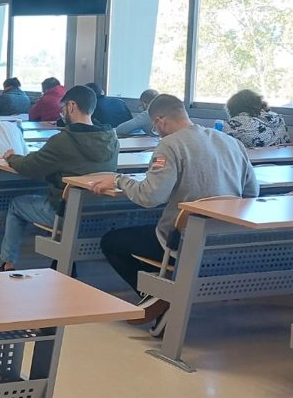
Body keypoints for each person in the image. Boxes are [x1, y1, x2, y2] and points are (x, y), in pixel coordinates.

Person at [93, 94, 258, 335]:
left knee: (111, 241)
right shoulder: (230, 142)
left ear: (160, 120)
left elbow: (150, 197)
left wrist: (119, 180)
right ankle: (162, 292)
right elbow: (252, 193)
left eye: (154, 126)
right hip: (224, 238)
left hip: (184, 240)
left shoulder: (169, 145)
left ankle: (157, 296)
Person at [0, 85, 119, 271]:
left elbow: (29, 167)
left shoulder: (63, 140)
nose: (61, 113)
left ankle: (8, 263)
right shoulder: (112, 139)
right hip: (100, 213)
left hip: (65, 214)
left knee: (16, 204)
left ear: (71, 106)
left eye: (62, 108)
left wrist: (12, 157)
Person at [223, 89, 291, 149]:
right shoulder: (277, 118)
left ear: (232, 108)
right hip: (284, 158)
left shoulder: (233, 125)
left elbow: (219, 142)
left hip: (251, 159)